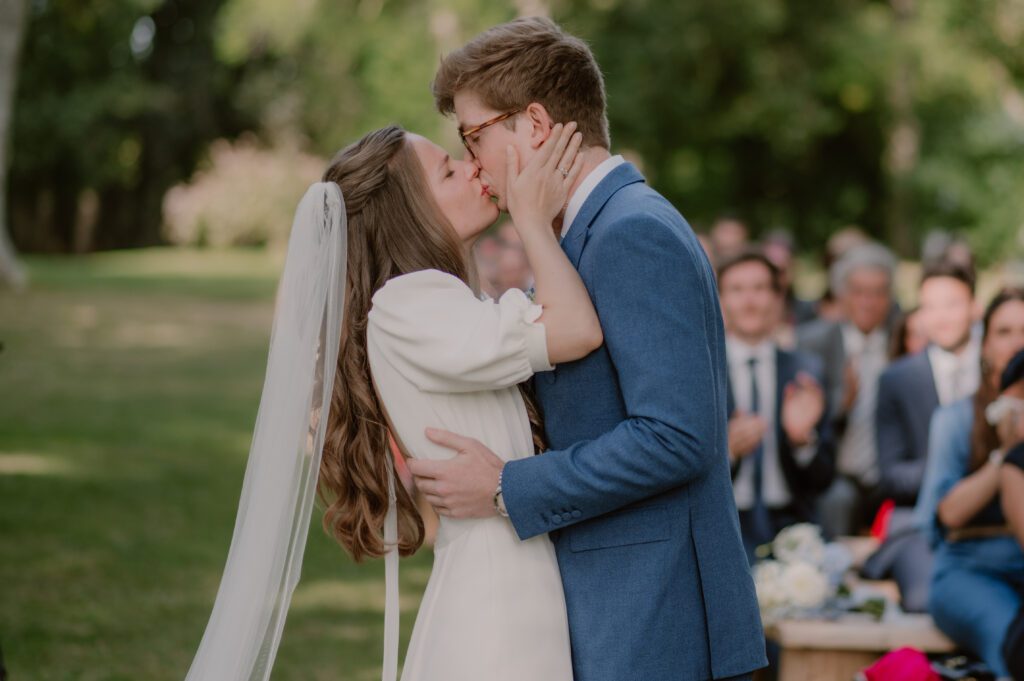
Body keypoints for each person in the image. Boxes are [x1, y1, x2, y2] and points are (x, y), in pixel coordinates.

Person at [406, 17, 766, 681]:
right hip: (627, 610)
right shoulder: (584, 235)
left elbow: (677, 436)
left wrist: (507, 486)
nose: (473, 160)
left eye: (473, 135)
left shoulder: (632, 234)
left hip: (659, 621)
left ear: (533, 125)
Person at [184, 122, 600, 681]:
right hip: (500, 600)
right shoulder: (410, 302)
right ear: (409, 214)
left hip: (506, 575)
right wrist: (531, 218)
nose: (473, 167)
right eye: (449, 171)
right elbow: (575, 329)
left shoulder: (443, 301)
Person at [914, 294, 1024, 680]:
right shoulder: (956, 419)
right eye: (1005, 331)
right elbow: (941, 518)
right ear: (986, 344)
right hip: (971, 569)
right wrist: (1008, 455)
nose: (1017, 342)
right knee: (1016, 646)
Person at [869, 260, 979, 612]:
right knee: (925, 599)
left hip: (990, 522)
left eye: (952, 304)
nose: (941, 317)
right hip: (918, 520)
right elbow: (891, 475)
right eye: (930, 307)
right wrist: (954, 467)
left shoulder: (997, 371)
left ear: (974, 308)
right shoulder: (896, 380)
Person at [717, 250, 835, 559]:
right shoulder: (702, 371)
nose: (749, 300)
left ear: (777, 298)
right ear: (720, 299)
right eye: (737, 290)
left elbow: (824, 478)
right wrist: (726, 451)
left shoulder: (806, 371)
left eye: (759, 289)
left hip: (791, 523)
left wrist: (802, 442)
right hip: (724, 522)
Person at [798, 243, 897, 537]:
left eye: (878, 292)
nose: (869, 302)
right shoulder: (814, 344)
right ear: (842, 296)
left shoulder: (901, 342)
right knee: (837, 500)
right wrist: (841, 405)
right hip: (838, 474)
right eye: (859, 292)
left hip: (889, 473)